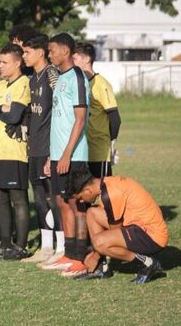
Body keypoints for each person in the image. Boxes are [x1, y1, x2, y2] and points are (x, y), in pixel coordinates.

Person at [40, 33, 91, 277]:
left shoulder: (78, 78)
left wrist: (67, 155)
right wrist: (53, 156)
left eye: (52, 50)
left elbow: (80, 120)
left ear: (65, 52)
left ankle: (81, 257)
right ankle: (69, 254)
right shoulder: (60, 79)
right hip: (59, 155)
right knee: (61, 203)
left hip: (74, 156)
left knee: (76, 204)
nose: (50, 55)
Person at [67, 169, 168, 284]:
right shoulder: (107, 183)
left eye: (80, 197)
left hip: (153, 237)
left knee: (99, 242)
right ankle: (102, 269)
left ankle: (149, 264)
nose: (80, 201)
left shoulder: (110, 195)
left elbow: (115, 232)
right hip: (141, 227)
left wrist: (95, 255)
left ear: (88, 190)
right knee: (92, 213)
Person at [0, 44, 32, 259]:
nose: (0, 66)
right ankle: (5, 243)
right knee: (0, 197)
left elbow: (14, 117)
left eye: (4, 62)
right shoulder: (2, 84)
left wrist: (0, 110)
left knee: (18, 198)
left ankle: (20, 246)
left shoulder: (24, 84)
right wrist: (4, 109)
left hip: (16, 151)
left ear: (17, 62)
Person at [21, 34, 65, 264]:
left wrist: (52, 151)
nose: (24, 56)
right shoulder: (32, 79)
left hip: (49, 149)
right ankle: (46, 247)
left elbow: (60, 112)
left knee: (53, 199)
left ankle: (62, 248)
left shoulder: (52, 75)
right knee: (38, 199)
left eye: (27, 52)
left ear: (40, 53)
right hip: (34, 148)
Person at [73, 42, 121, 178]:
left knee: (103, 191)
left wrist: (111, 144)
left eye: (75, 59)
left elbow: (115, 118)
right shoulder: (78, 83)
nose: (72, 62)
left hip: (99, 151)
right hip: (82, 150)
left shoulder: (102, 84)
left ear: (87, 59)